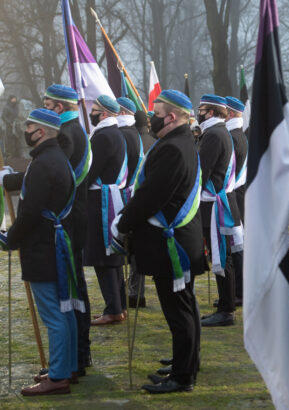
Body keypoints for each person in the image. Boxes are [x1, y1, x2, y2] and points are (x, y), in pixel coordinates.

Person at [113, 89, 203, 394]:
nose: (151, 117)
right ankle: (185, 362)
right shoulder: (179, 143)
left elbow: (151, 196)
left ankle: (182, 376)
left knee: (179, 311)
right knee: (185, 308)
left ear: (172, 117)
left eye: (156, 112)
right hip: (179, 241)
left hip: (172, 246)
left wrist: (122, 223)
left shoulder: (173, 149)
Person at [0, 109, 80, 395]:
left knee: (54, 314)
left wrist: (11, 238)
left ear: (42, 132)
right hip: (53, 243)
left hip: (44, 246)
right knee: (64, 311)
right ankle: (66, 366)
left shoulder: (45, 162)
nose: (26, 130)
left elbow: (31, 210)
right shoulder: (53, 157)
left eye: (30, 126)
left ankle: (58, 376)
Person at [43, 84, 93, 374]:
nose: (44, 110)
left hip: (69, 218)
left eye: (47, 104)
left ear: (58, 108)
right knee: (75, 285)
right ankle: (80, 353)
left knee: (73, 286)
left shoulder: (65, 135)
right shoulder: (76, 129)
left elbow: (53, 174)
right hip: (76, 216)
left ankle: (78, 353)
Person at [198, 94, 241, 327]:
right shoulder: (220, 132)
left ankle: (226, 309)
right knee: (223, 257)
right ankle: (226, 304)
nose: (199, 113)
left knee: (221, 257)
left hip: (215, 204)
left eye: (202, 109)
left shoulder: (214, 135)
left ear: (211, 112)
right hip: (220, 202)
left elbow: (202, 170)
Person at [84, 95, 128, 325]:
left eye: (93, 110)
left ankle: (113, 309)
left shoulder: (103, 136)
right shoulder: (114, 133)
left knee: (104, 256)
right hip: (110, 196)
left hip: (101, 200)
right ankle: (118, 305)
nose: (90, 113)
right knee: (111, 255)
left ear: (103, 114)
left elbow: (91, 170)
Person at [116, 97, 146, 308]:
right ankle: (136, 291)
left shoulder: (124, 135)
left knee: (131, 247)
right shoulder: (132, 133)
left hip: (126, 193)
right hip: (131, 191)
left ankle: (135, 293)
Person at [224, 96, 247, 304]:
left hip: (233, 195)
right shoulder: (239, 135)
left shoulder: (231, 137)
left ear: (230, 114)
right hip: (239, 195)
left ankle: (238, 292)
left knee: (236, 248)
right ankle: (237, 291)